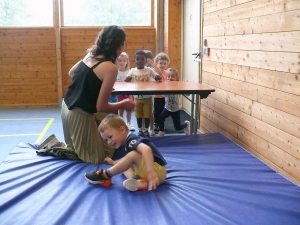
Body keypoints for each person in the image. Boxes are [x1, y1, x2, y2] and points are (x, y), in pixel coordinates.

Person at [38, 25, 135, 164]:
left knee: (104, 123)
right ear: (119, 46)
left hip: (66, 106)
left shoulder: (91, 55)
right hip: (79, 113)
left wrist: (95, 86)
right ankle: (55, 146)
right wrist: (124, 104)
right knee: (99, 158)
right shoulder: (110, 68)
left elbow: (72, 73)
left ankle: (75, 145)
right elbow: (101, 106)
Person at [84, 114, 167, 192]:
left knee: (132, 156)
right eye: (106, 140)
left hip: (156, 171)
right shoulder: (125, 144)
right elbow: (125, 161)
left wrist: (151, 172)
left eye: (110, 137)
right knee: (125, 166)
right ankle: (136, 181)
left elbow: (146, 149)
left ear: (122, 130)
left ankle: (106, 175)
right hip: (151, 174)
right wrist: (113, 163)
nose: (109, 142)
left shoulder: (131, 140)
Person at [125, 50, 161, 137]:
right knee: (138, 114)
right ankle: (140, 129)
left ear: (146, 61)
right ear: (134, 61)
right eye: (138, 59)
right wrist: (128, 79)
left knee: (147, 114)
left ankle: (146, 130)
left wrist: (157, 77)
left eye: (142, 59)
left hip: (147, 97)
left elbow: (156, 76)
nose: (140, 61)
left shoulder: (149, 70)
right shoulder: (132, 71)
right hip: (137, 97)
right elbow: (127, 79)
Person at [157, 68, 190, 136]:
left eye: (173, 76)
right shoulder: (166, 86)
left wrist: (186, 85)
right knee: (160, 117)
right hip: (167, 108)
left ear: (177, 79)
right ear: (166, 78)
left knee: (177, 128)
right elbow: (164, 95)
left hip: (176, 110)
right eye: (168, 76)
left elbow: (188, 94)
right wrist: (166, 87)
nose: (170, 78)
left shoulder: (179, 86)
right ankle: (161, 131)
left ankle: (186, 124)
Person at [116, 52, 135, 131]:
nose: (122, 62)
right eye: (120, 61)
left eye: (124, 61)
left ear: (127, 62)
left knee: (129, 109)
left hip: (128, 93)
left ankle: (129, 123)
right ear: (117, 62)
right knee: (120, 109)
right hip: (119, 93)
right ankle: (120, 123)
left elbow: (133, 81)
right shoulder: (116, 71)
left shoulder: (129, 71)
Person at [152, 52, 170, 133]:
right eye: (160, 63)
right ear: (156, 64)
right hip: (156, 95)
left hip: (164, 96)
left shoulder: (167, 73)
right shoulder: (154, 72)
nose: (162, 65)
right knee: (156, 111)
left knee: (163, 110)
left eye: (164, 63)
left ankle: (161, 123)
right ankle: (156, 123)